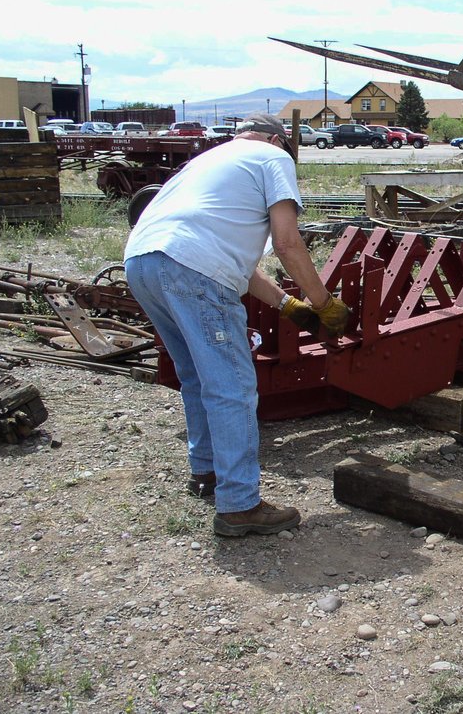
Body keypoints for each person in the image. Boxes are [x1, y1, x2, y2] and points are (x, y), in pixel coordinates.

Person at [123, 113, 349, 537]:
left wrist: (289, 305)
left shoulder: (210, 160)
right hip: (189, 266)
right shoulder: (272, 157)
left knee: (196, 376)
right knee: (232, 386)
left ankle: (206, 471)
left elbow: (228, 261)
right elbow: (286, 242)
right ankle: (240, 504)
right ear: (275, 139)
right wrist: (324, 304)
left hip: (142, 260)